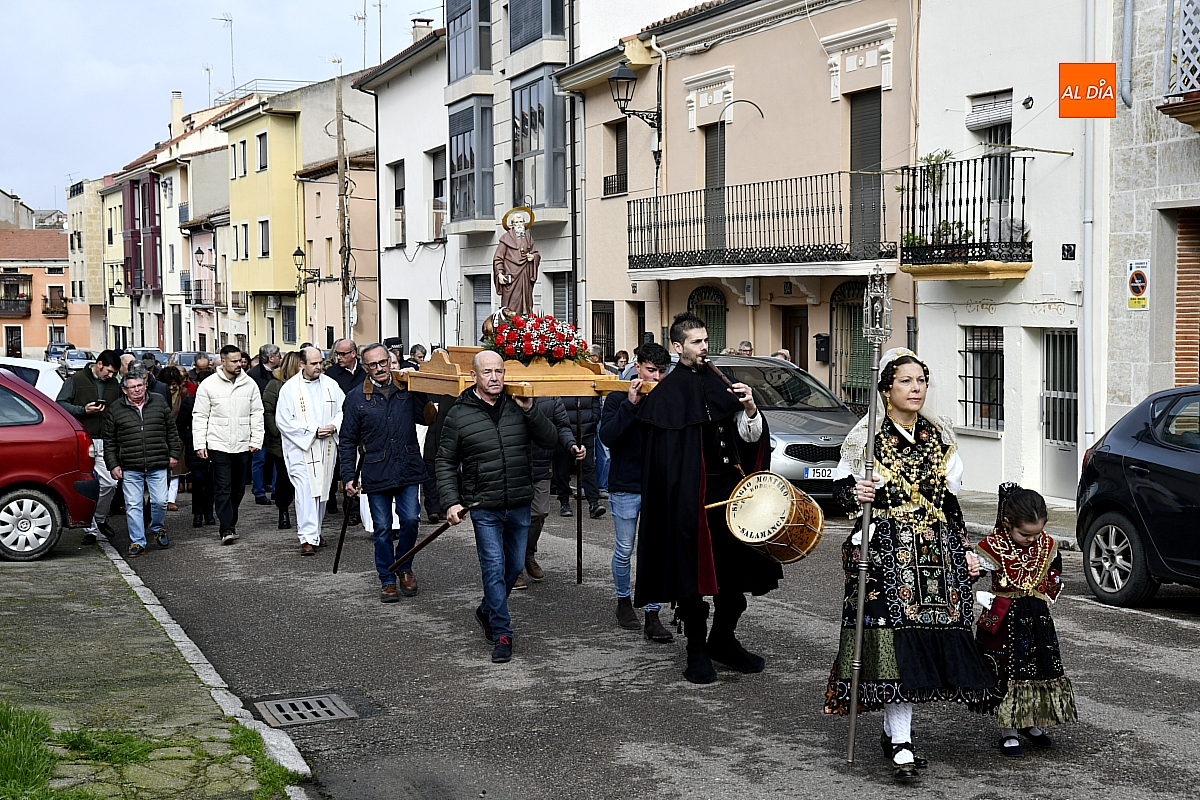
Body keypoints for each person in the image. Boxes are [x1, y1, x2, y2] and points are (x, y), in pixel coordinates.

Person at [823, 347, 994, 784]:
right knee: (895, 646)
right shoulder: (866, 441)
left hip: (935, 552)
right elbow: (842, 492)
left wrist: (967, 548)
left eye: (921, 381)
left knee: (925, 642)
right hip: (885, 551)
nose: (916, 389)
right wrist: (854, 494)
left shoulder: (939, 437)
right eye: (906, 381)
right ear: (886, 390)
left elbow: (950, 502)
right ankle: (901, 739)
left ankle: (893, 732)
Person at [634, 312, 778, 685]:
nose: (704, 348)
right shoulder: (665, 396)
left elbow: (748, 441)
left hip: (731, 499)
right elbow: (663, 464)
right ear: (677, 347)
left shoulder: (724, 385)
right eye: (696, 342)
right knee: (693, 582)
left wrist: (749, 408)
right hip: (688, 502)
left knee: (735, 579)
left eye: (706, 340)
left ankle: (723, 641)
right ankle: (697, 651)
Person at [436, 350, 557, 663]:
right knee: (493, 568)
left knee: (514, 566)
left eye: (499, 372)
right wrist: (451, 501)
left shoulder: (519, 406)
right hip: (484, 505)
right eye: (487, 372)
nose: (494, 378)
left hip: (518, 502)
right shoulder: (459, 414)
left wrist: (531, 411)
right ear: (474, 376)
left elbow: (550, 439)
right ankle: (503, 633)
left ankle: (486, 609)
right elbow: (445, 460)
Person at [971, 484, 1077, 756]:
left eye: (1037, 533)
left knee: (1038, 666)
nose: (1032, 539)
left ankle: (1031, 722)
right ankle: (1009, 731)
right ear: (1007, 524)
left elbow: (1055, 570)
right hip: (1004, 620)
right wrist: (972, 570)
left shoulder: (1046, 545)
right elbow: (971, 572)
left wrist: (1048, 590)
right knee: (1009, 670)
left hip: (1037, 618)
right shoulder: (992, 547)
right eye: (1024, 534)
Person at [341, 343, 431, 599]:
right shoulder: (356, 397)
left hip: (408, 466)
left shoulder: (407, 388)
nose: (380, 368)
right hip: (376, 470)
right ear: (365, 366)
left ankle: (405, 567)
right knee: (381, 528)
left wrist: (421, 388)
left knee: (412, 519)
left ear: (391, 362)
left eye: (384, 363)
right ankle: (387, 578)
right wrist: (348, 476)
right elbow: (347, 440)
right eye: (373, 365)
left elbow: (427, 419)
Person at [599, 341, 673, 642]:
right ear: (638, 367)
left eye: (661, 372)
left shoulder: (666, 398)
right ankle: (622, 600)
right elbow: (607, 436)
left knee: (654, 549)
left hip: (656, 484)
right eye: (651, 371)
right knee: (625, 548)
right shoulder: (618, 396)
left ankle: (653, 613)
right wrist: (630, 405)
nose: (656, 378)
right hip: (626, 484)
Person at [102, 366, 181, 557]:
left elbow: (171, 429)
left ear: (146, 386)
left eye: (140, 385)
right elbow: (109, 440)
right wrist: (113, 465)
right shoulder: (116, 409)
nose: (137, 390)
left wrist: (174, 453)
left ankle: (157, 527)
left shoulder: (159, 402)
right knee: (133, 505)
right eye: (132, 387)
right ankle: (137, 542)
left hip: (157, 462)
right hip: (130, 465)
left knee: (161, 501)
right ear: (124, 390)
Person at [276, 346, 345, 556]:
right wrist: (313, 431)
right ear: (302, 364)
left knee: (322, 490)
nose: (319, 367)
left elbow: (344, 409)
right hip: (302, 448)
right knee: (305, 491)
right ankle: (306, 537)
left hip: (326, 446)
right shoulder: (289, 389)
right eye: (314, 363)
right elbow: (283, 421)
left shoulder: (331, 385)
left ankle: (315, 531)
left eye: (320, 362)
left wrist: (333, 426)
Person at [193, 344, 265, 545]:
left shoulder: (249, 384)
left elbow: (257, 414)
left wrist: (256, 440)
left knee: (239, 489)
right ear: (222, 361)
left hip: (242, 444)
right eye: (234, 361)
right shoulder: (208, 385)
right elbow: (200, 416)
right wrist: (200, 444)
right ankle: (226, 528)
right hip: (218, 444)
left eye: (240, 360)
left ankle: (230, 523)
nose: (239, 364)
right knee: (223, 487)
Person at [515, 396, 584, 589]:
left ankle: (528, 554)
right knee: (514, 518)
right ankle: (514, 566)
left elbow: (562, 425)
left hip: (541, 462)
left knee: (538, 512)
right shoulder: (509, 386)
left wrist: (571, 444)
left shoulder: (551, 396)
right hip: (513, 463)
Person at [56, 349, 122, 544]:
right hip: (83, 438)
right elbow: (59, 404)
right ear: (99, 364)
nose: (110, 376)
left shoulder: (113, 384)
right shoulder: (75, 380)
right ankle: (91, 529)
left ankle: (99, 520)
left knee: (110, 483)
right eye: (109, 371)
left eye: (113, 373)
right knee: (87, 484)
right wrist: (83, 410)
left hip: (106, 439)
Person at [325, 338, 365, 520]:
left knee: (358, 469)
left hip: (363, 425)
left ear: (354, 354)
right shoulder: (331, 374)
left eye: (342, 354)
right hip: (339, 426)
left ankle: (355, 510)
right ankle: (337, 501)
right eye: (337, 354)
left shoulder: (365, 372)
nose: (338, 358)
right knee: (340, 468)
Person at [261, 352, 301, 530]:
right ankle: (283, 511)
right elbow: (267, 410)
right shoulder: (275, 385)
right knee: (284, 478)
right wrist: (276, 431)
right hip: (281, 441)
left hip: (304, 439)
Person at [552, 396, 604, 519]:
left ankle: (594, 503)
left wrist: (593, 418)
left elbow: (595, 399)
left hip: (586, 430)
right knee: (562, 469)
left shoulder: (589, 378)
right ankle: (564, 502)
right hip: (563, 430)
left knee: (588, 467)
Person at [177, 364, 215, 528]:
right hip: (196, 447)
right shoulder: (189, 403)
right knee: (198, 481)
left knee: (211, 482)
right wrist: (192, 438)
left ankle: (209, 512)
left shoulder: (216, 403)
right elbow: (181, 425)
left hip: (214, 446)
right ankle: (198, 514)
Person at [248, 343, 282, 507]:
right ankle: (259, 491)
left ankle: (276, 489)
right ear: (271, 358)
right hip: (259, 424)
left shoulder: (278, 374)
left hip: (275, 423)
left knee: (277, 458)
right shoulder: (253, 376)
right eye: (278, 355)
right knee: (259, 459)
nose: (280, 358)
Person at [158, 366, 190, 511]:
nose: (172, 387)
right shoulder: (157, 394)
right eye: (169, 384)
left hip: (177, 436)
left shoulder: (183, 394)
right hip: (159, 436)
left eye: (174, 384)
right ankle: (161, 498)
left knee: (176, 469)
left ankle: (171, 499)